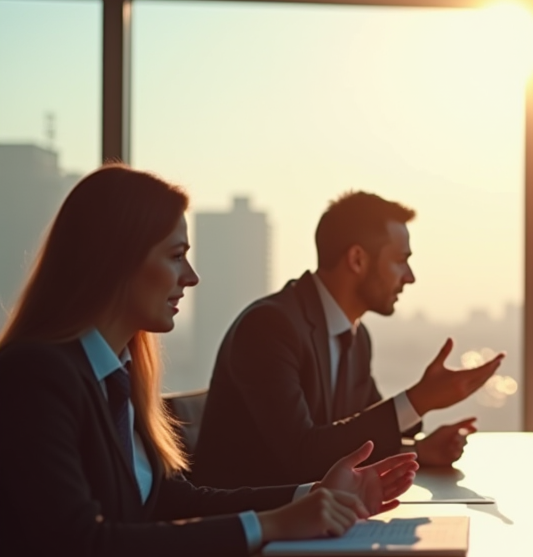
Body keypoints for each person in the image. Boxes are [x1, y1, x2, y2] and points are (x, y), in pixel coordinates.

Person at [0, 165, 419, 557]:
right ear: (117, 259)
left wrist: (313, 496)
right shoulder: (37, 377)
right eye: (176, 256)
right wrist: (272, 525)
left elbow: (174, 499)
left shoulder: (117, 375)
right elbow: (86, 553)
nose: (191, 277)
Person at [193, 190, 504, 489]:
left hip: (312, 522)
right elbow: (300, 455)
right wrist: (418, 400)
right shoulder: (269, 327)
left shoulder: (355, 337)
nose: (409, 277)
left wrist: (418, 449)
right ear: (357, 260)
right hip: (249, 530)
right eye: (400, 260)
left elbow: (354, 437)